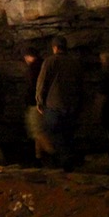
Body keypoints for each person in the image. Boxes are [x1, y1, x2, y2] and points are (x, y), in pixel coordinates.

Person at [36, 36, 84, 171]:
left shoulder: (50, 61)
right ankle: (68, 162)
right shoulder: (75, 63)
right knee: (68, 134)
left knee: (54, 133)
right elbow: (80, 85)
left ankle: (62, 162)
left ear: (55, 48)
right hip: (72, 105)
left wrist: (39, 101)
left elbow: (42, 83)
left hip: (54, 105)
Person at [22, 48, 50, 165]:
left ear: (28, 56)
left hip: (35, 104)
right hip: (46, 103)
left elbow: (32, 87)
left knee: (37, 131)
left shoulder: (33, 68)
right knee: (40, 131)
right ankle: (39, 158)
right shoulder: (45, 65)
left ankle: (54, 154)